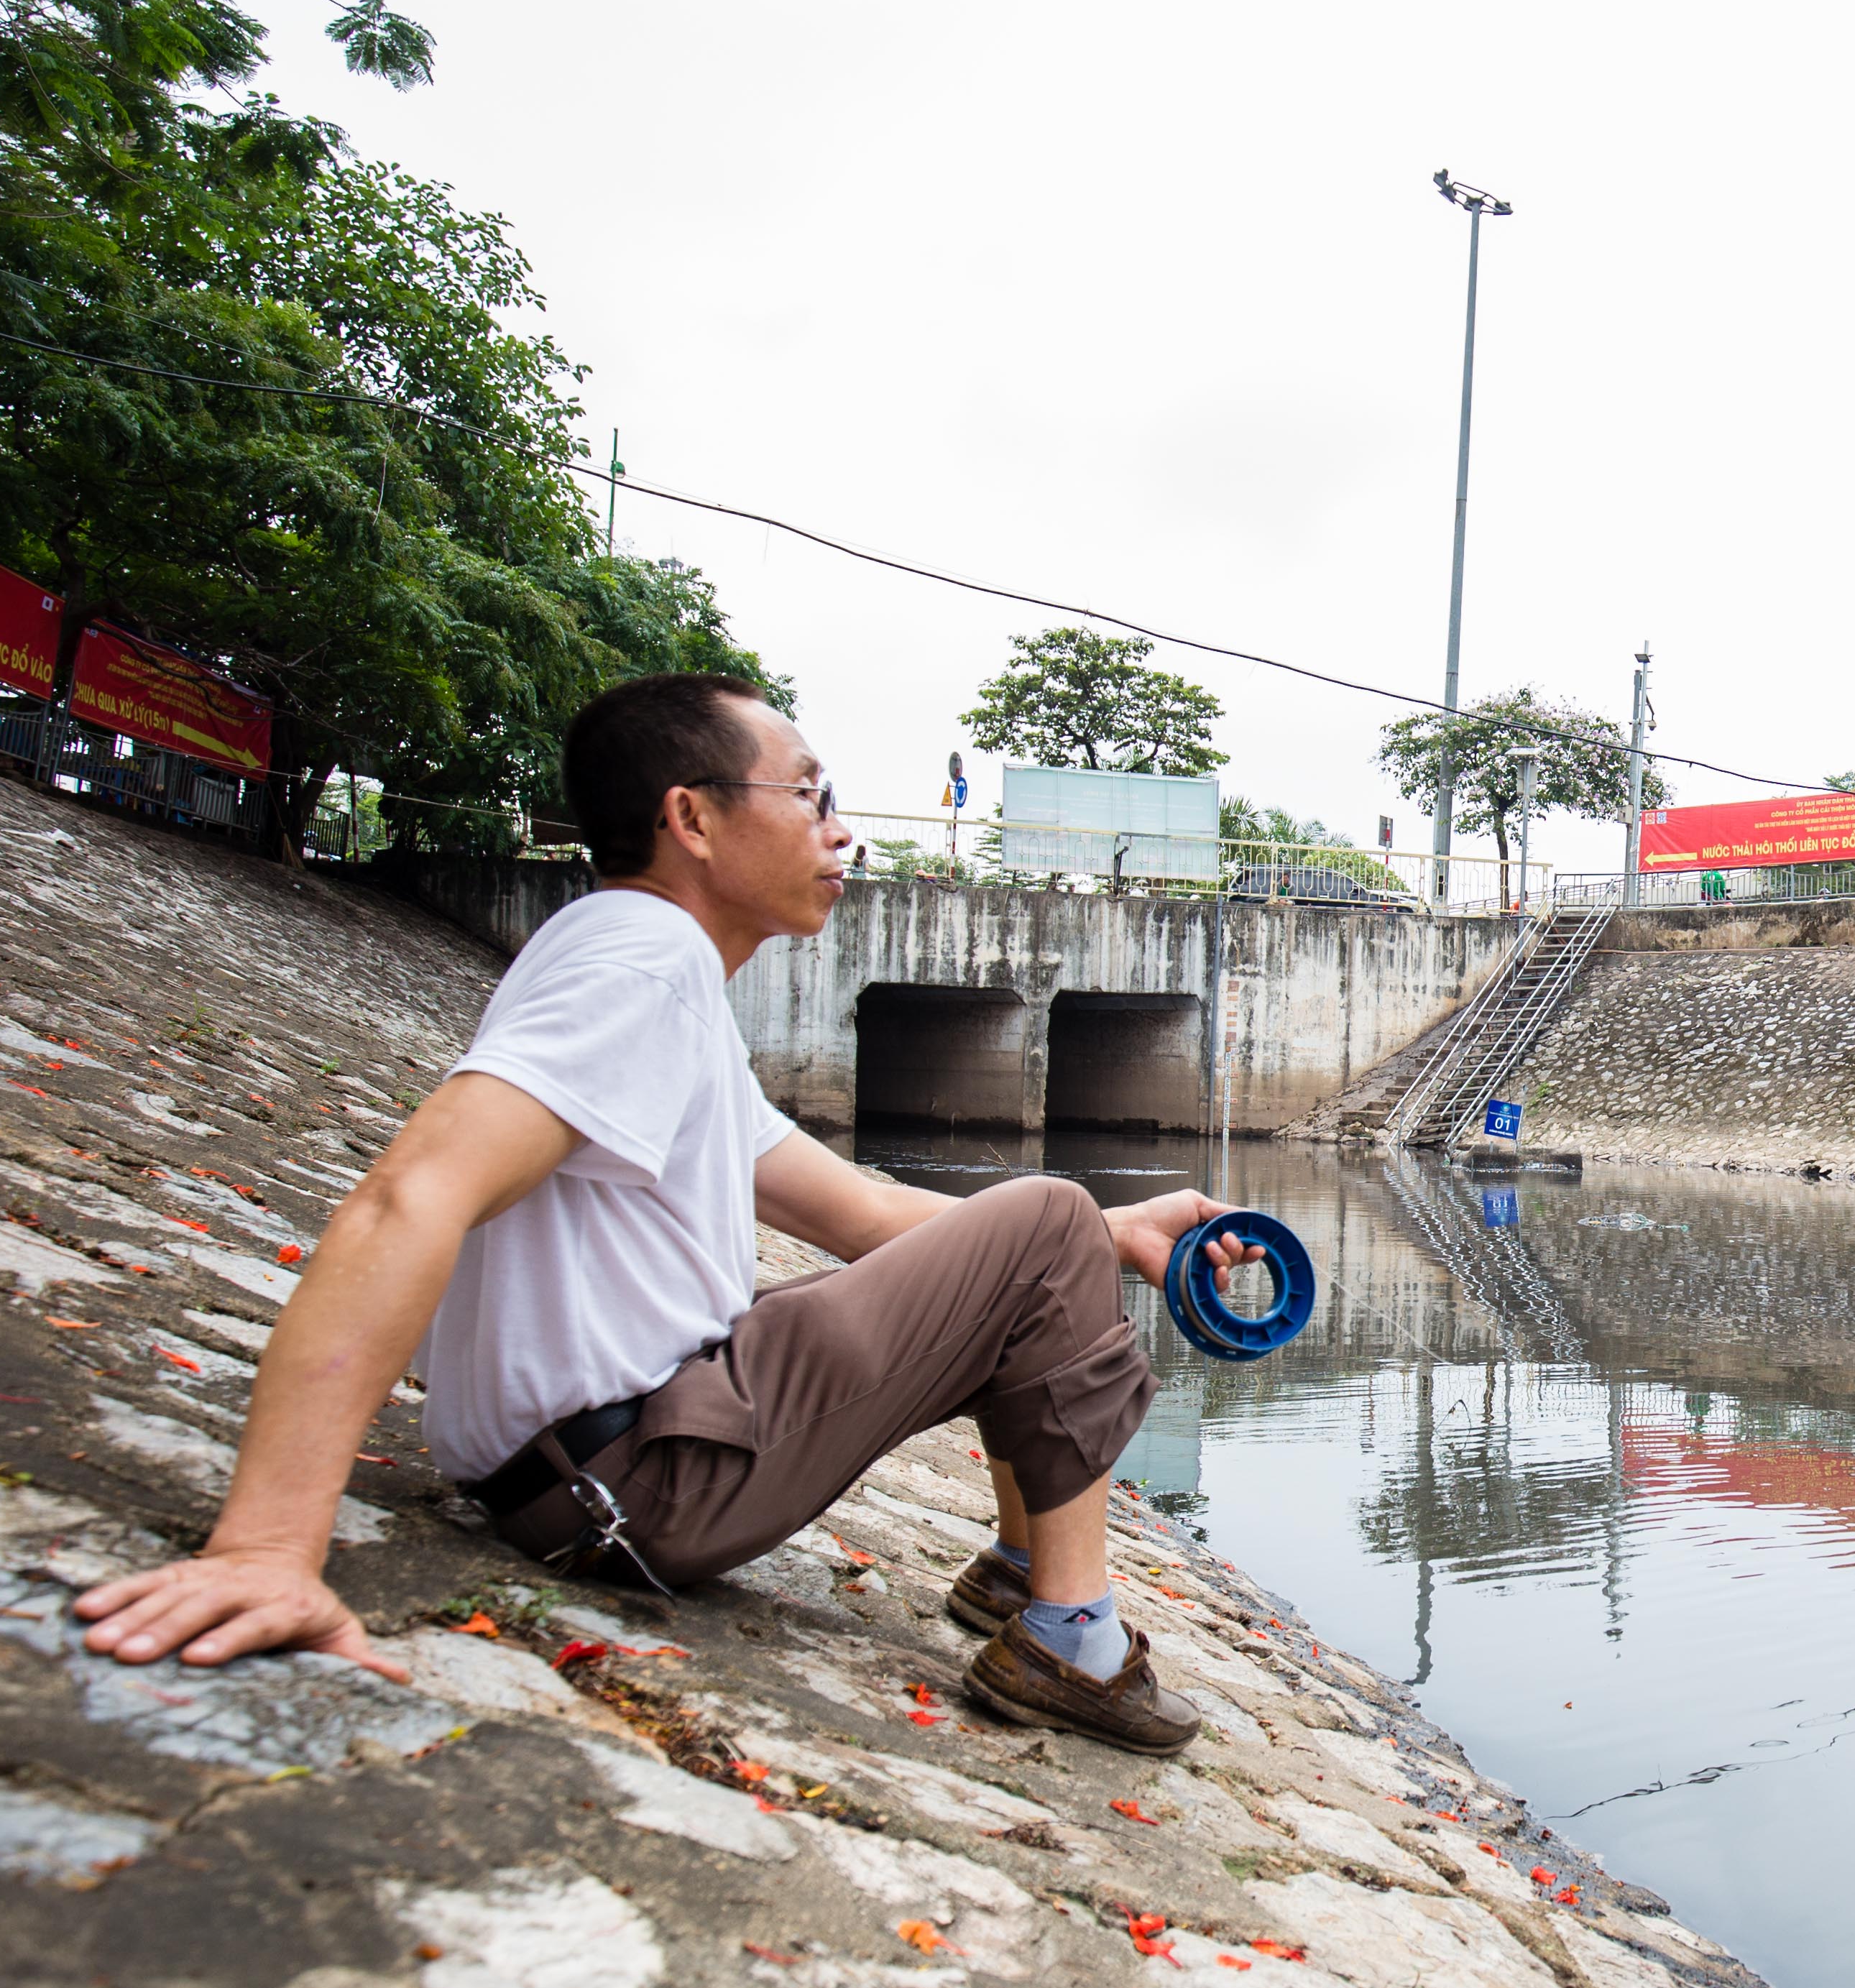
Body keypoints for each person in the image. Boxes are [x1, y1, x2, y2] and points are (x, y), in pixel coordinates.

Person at [73, 672, 1252, 1754]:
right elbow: (411, 1193)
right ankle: (1071, 1640)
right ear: (691, 820)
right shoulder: (640, 968)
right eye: (809, 796)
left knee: (1042, 1229)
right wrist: (271, 1546)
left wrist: (1116, 1238)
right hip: (635, 1485)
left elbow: (862, 1214)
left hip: (593, 1470)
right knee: (1041, 1214)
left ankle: (1020, 1574)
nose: (841, 831)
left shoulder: (644, 968)